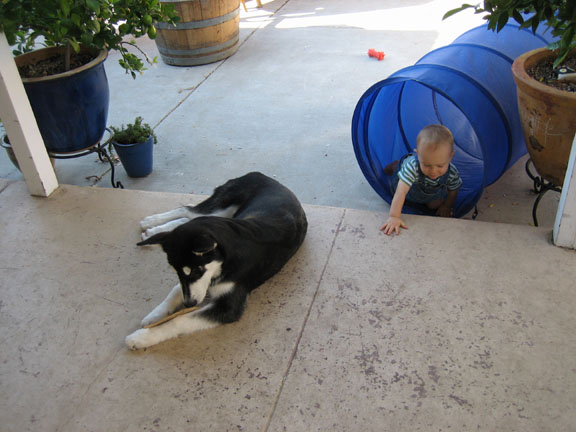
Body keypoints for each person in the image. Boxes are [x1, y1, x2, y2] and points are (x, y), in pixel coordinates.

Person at [380, 124, 462, 236]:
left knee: (434, 206)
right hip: (409, 184)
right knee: (396, 174)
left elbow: (454, 190)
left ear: (450, 156)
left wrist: (447, 206)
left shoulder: (451, 172)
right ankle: (396, 165)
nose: (433, 171)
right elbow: (401, 192)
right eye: (427, 165)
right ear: (418, 154)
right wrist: (394, 217)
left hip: (429, 190)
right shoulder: (413, 167)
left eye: (440, 166)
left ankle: (424, 195)